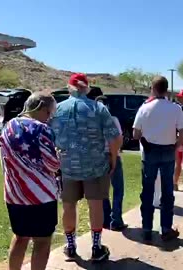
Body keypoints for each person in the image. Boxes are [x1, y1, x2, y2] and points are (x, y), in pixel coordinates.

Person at [50, 73, 121, 262]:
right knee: (95, 204)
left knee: (68, 206)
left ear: (70, 88)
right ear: (87, 88)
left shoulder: (57, 110)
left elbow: (49, 137)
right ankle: (96, 247)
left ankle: (71, 246)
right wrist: (113, 159)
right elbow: (115, 138)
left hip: (66, 167)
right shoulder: (98, 108)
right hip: (95, 166)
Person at [0, 91, 60, 270]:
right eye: (49, 112)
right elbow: (53, 164)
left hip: (14, 193)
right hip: (41, 196)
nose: (49, 117)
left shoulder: (9, 126)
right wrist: (58, 155)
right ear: (41, 107)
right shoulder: (42, 129)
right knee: (42, 241)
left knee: (20, 237)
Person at [133, 76, 183, 242]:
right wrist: (176, 146)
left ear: (153, 88)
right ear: (166, 89)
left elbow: (135, 133)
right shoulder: (175, 108)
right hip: (168, 150)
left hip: (150, 151)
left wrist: (145, 140)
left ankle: (147, 229)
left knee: (148, 191)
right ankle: (165, 228)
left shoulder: (145, 108)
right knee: (167, 191)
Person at [95, 95, 128, 231]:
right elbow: (118, 140)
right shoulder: (113, 120)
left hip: (98, 157)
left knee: (103, 190)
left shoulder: (92, 121)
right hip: (111, 155)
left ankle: (105, 219)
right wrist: (114, 157)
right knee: (118, 189)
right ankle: (116, 220)